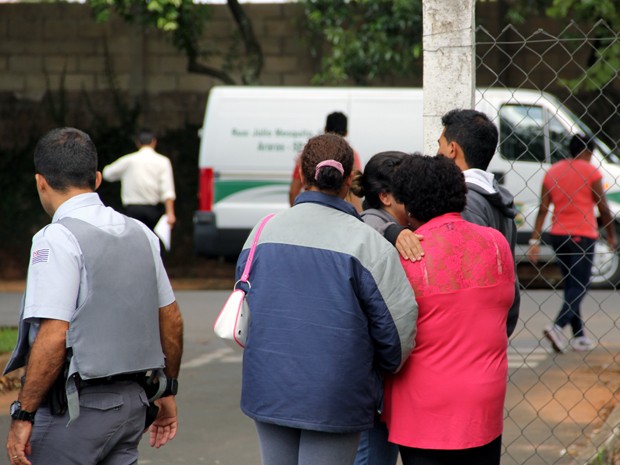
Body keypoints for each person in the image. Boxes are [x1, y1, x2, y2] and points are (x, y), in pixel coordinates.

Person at [4, 128, 184, 465]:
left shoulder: (55, 238)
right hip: (133, 407)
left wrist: (24, 414)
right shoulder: (142, 233)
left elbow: (54, 333)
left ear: (40, 182)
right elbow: (170, 317)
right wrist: (168, 390)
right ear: (98, 179)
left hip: (75, 411)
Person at [238, 133, 418, 465]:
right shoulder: (370, 245)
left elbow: (247, 307)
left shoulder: (261, 232)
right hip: (336, 394)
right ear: (350, 179)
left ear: (303, 176)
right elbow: (395, 340)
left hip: (267, 386)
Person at [383, 154, 515, 465]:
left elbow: (388, 337)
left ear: (407, 203)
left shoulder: (407, 256)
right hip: (485, 399)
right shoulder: (497, 245)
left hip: (423, 409)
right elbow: (506, 314)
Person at [349, 151, 422, 465]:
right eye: (410, 193)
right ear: (386, 197)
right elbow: (371, 228)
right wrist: (395, 232)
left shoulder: (385, 228)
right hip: (371, 385)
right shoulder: (372, 231)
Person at [528, 134, 617, 353]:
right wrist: (612, 235)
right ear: (588, 152)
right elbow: (603, 208)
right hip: (582, 235)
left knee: (571, 285)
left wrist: (534, 239)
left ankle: (579, 337)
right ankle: (557, 326)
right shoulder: (590, 172)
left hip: (557, 235)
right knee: (581, 284)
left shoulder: (553, 171)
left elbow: (542, 208)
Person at [437, 108, 520, 337]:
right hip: (490, 330)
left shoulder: (465, 202)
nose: (437, 152)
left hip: (467, 337)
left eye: (440, 145)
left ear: (452, 150)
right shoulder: (495, 198)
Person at [102, 128, 176, 231]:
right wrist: (170, 213)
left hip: (132, 211)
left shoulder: (129, 160)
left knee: (133, 242)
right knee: (152, 242)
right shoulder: (163, 161)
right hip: (153, 212)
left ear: (137, 143)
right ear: (154, 142)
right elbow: (167, 191)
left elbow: (107, 174)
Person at [289, 111, 363, 211]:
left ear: (325, 129)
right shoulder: (352, 155)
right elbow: (354, 194)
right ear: (346, 132)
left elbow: (293, 191)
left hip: (310, 212)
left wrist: (295, 213)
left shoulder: (309, 153)